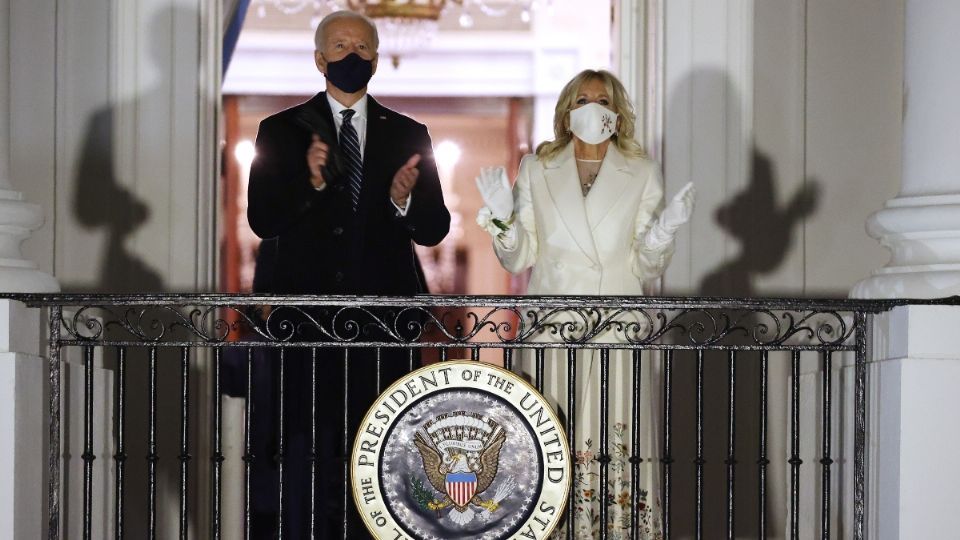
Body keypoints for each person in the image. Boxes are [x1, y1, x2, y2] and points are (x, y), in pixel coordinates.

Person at [246, 10, 451, 538]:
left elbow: (434, 229)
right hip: (306, 325)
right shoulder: (281, 131)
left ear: (377, 59)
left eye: (362, 47)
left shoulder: (409, 133)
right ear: (319, 59)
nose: (352, 55)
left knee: (381, 450)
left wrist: (402, 202)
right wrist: (309, 186)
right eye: (340, 46)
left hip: (384, 326)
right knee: (304, 449)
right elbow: (262, 219)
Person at [476, 69, 694, 538]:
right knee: (550, 437)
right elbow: (519, 258)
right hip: (552, 327)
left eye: (600, 98)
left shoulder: (640, 171)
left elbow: (647, 264)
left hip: (617, 327)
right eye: (580, 99)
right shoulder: (537, 168)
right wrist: (500, 217)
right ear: (566, 111)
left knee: (615, 431)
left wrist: (666, 228)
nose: (591, 107)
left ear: (616, 111)